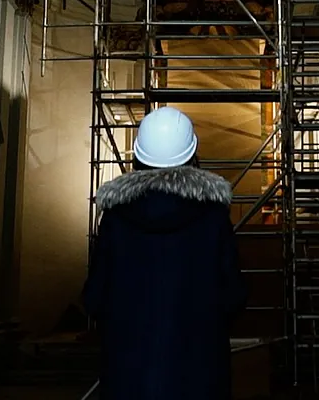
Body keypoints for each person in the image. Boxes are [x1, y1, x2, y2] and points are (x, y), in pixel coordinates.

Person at [83, 107, 247, 400]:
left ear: (138, 154)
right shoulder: (214, 218)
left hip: (128, 377)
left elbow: (94, 297)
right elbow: (233, 296)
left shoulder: (116, 219)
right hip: (200, 377)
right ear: (192, 155)